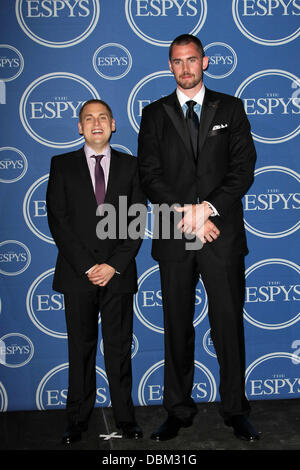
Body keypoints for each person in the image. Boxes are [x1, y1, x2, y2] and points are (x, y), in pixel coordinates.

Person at [138, 34, 259, 442]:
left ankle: (235, 409)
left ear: (205, 62)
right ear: (169, 66)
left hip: (219, 232)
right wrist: (187, 214)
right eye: (177, 62)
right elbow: (149, 174)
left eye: (192, 60)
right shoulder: (153, 114)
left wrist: (205, 209)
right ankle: (177, 410)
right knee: (176, 324)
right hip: (176, 234)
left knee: (227, 323)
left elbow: (243, 169)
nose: (185, 68)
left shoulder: (231, 107)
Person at [46, 99, 146, 445]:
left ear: (114, 124)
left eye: (102, 117)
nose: (96, 123)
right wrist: (89, 266)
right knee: (81, 349)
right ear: (79, 127)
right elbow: (58, 221)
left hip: (118, 275)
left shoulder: (132, 166)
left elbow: (137, 220)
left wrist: (113, 266)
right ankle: (77, 419)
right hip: (78, 274)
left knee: (118, 350)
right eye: (88, 118)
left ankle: (126, 418)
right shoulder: (61, 165)